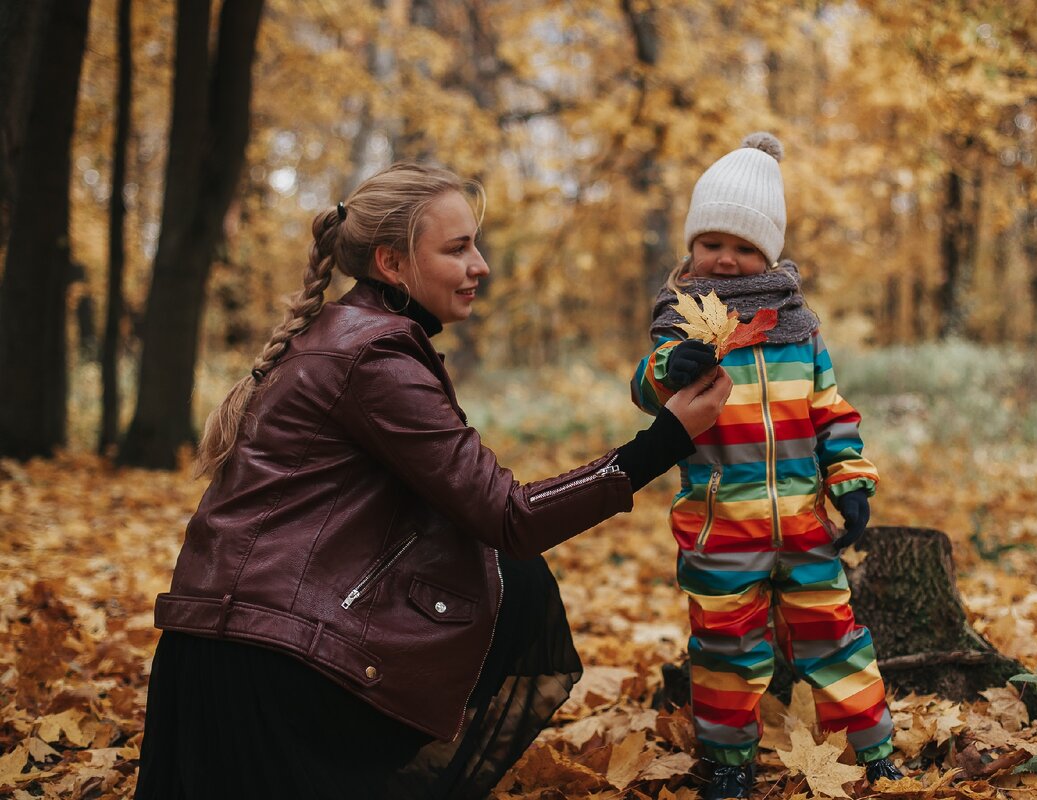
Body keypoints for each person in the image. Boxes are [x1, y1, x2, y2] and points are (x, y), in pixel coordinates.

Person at [134, 161, 732, 800]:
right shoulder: (375, 356)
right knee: (512, 572)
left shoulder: (346, 334)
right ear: (392, 263)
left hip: (223, 653)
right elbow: (511, 517)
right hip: (262, 672)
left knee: (497, 568)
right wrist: (662, 442)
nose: (481, 265)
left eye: (475, 243)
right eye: (457, 248)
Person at [630, 133, 904, 800]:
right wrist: (675, 366)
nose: (726, 258)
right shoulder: (684, 323)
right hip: (721, 528)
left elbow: (831, 411)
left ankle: (877, 751)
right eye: (712, 242)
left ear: (770, 253)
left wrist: (851, 480)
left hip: (806, 523)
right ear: (692, 248)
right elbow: (646, 388)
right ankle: (729, 761)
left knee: (836, 638)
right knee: (726, 650)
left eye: (745, 246)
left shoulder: (800, 329)